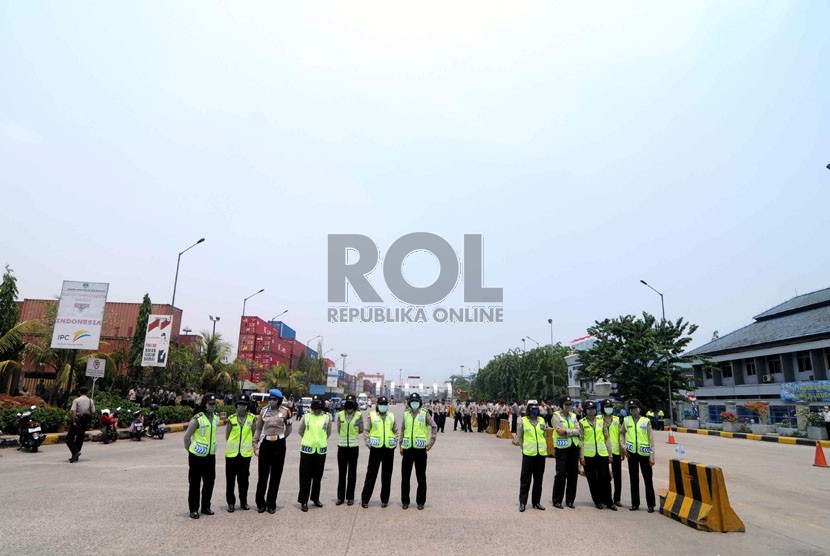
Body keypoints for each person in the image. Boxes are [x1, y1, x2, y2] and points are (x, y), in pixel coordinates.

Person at [254, 388, 293, 514]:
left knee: (275, 476)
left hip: (279, 445)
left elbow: (289, 428)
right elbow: (258, 428)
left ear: (279, 400)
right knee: (263, 475)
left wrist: (281, 438)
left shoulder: (286, 411)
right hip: (266, 444)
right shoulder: (263, 412)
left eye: (274, 399)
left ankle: (271, 504)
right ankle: (260, 503)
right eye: (270, 399)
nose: (271, 401)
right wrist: (255, 444)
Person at [398, 392, 437, 510]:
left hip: (420, 450)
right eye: (412, 401)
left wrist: (431, 443)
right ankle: (405, 501)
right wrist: (401, 445)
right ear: (409, 403)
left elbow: (434, 426)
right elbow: (403, 430)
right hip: (407, 449)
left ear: (419, 403)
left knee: (421, 477)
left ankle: (420, 502)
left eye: (416, 401)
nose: (414, 403)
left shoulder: (425, 414)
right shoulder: (406, 415)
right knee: (405, 477)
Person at [183, 393, 219, 519]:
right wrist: (191, 451)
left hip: (210, 456)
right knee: (195, 483)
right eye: (210, 404)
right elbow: (187, 437)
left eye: (214, 404)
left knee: (209, 482)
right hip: (196, 457)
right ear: (205, 404)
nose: (213, 406)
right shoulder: (197, 419)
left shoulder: (216, 418)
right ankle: (193, 509)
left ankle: (206, 506)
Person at [360, 396, 397, 508]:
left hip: (388, 450)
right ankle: (365, 500)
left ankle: (384, 500)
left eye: (385, 404)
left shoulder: (391, 416)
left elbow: (396, 431)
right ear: (378, 405)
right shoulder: (372, 416)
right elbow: (366, 431)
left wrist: (394, 443)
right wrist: (368, 444)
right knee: (371, 475)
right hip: (375, 449)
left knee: (386, 476)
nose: (383, 406)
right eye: (381, 404)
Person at [579, 401, 616, 511]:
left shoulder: (601, 421)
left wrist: (610, 454)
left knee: (605, 478)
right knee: (592, 480)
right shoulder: (582, 422)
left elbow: (607, 437)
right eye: (589, 409)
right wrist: (581, 456)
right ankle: (597, 500)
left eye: (593, 408)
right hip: (588, 455)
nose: (592, 410)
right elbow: (581, 440)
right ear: (585, 410)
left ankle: (609, 501)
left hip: (602, 454)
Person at [297, 395, 330, 511]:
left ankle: (315, 498)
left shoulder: (327, 417)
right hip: (307, 450)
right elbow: (300, 431)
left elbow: (328, 432)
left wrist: (320, 441)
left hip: (320, 451)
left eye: (318, 404)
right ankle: (304, 500)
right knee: (305, 477)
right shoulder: (306, 417)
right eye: (314, 404)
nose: (316, 407)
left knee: (317, 477)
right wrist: (309, 440)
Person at [513, 399, 547, 512]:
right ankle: (522, 502)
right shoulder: (523, 420)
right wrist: (524, 447)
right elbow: (520, 436)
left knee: (538, 479)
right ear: (528, 409)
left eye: (536, 408)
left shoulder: (542, 420)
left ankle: (536, 502)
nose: (535, 410)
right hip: (528, 453)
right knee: (525, 479)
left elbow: (545, 435)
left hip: (541, 454)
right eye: (533, 408)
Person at [624, 399, 656, 512]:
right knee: (634, 479)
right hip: (631, 453)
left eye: (635, 408)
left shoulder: (646, 421)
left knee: (648, 480)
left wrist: (652, 456)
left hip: (644, 453)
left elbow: (651, 440)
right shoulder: (626, 420)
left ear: (640, 409)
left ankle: (651, 505)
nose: (633, 410)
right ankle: (635, 504)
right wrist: (623, 447)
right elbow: (621, 433)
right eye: (631, 408)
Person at [225, 394, 255, 512]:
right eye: (240, 405)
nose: (241, 407)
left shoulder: (252, 418)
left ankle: (243, 501)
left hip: (245, 454)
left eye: (244, 405)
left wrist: (254, 446)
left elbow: (253, 434)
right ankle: (231, 503)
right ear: (236, 406)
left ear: (247, 406)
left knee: (244, 480)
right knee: (230, 480)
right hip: (232, 454)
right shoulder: (231, 419)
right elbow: (227, 435)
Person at [551, 396, 580, 509]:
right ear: (561, 405)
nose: (568, 406)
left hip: (573, 447)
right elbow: (559, 431)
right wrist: (572, 431)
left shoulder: (573, 416)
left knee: (573, 475)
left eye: (570, 404)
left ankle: (570, 500)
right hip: (562, 448)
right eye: (566, 404)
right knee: (561, 474)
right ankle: (557, 500)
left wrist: (567, 431)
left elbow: (579, 430)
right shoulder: (556, 416)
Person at [335, 394, 364, 506]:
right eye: (348, 403)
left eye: (351, 403)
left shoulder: (358, 415)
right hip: (342, 447)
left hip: (353, 447)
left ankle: (350, 497)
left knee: (352, 473)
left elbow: (361, 429)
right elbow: (338, 429)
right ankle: (340, 497)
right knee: (342, 473)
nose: (349, 405)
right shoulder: (340, 414)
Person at [601, 399, 625, 507]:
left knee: (617, 476)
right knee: (604, 476)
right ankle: (605, 498)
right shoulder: (599, 420)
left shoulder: (616, 419)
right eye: (607, 406)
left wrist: (622, 450)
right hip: (603, 451)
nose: (609, 408)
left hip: (615, 451)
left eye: (610, 406)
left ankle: (617, 499)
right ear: (603, 408)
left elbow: (620, 435)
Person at [66, 386, 95, 463]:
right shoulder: (90, 401)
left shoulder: (76, 400)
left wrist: (74, 421)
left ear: (79, 392)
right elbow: (93, 411)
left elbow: (74, 411)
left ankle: (75, 452)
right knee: (80, 439)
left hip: (77, 421)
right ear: (87, 393)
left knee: (69, 439)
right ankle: (75, 456)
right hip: (85, 422)